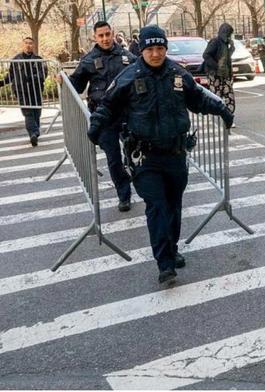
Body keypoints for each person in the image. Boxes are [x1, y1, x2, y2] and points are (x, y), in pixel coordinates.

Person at [88, 25, 234, 285]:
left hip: (176, 153)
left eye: (160, 48)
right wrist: (95, 128)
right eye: (150, 49)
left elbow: (198, 98)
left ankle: (172, 247)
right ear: (142, 50)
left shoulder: (177, 74)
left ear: (165, 48)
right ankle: (164, 264)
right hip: (146, 158)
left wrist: (221, 109)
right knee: (157, 207)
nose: (155, 54)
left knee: (174, 206)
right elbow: (108, 106)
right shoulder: (128, 76)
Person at [59, 21, 137, 212]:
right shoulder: (88, 60)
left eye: (107, 34)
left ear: (113, 34)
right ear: (95, 37)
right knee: (113, 158)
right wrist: (64, 82)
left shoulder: (128, 57)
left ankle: (134, 175)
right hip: (104, 118)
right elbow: (75, 87)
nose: (105, 38)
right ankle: (124, 194)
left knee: (135, 152)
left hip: (128, 115)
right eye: (100, 35)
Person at [0, 37, 47, 147]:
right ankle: (33, 134)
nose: (28, 45)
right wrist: (2, 83)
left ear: (33, 45)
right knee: (27, 112)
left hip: (35, 89)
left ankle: (35, 131)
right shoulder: (16, 59)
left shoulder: (38, 59)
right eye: (26, 43)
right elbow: (11, 75)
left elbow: (43, 73)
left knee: (36, 112)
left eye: (30, 43)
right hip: (21, 90)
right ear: (23, 45)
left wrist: (33, 77)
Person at [202, 23, 236, 114]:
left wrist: (232, 48)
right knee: (216, 96)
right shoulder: (215, 42)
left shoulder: (226, 44)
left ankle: (228, 116)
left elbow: (226, 59)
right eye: (229, 34)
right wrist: (216, 66)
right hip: (214, 74)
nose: (230, 36)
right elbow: (206, 55)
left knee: (229, 95)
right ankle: (218, 115)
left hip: (225, 74)